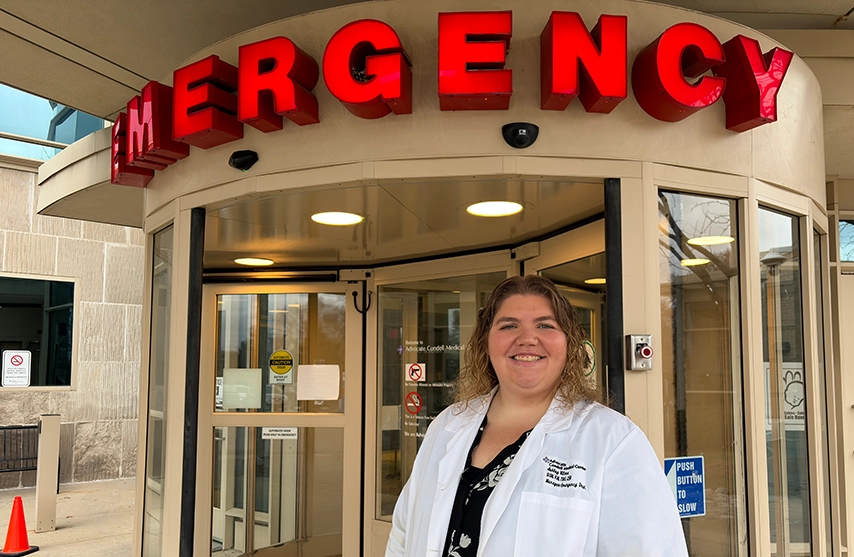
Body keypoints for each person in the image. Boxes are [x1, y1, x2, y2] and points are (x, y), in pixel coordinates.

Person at [385, 275, 688, 557]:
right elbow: (403, 534)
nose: (527, 339)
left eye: (545, 326)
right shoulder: (448, 424)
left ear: (569, 342)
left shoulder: (613, 442)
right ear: (485, 343)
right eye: (508, 326)